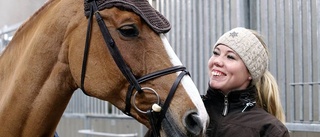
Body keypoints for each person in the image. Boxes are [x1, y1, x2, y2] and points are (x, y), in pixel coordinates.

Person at [202, 27, 290, 137]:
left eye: (230, 57)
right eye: (216, 53)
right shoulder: (191, 112)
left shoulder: (269, 129)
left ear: (250, 73)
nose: (217, 61)